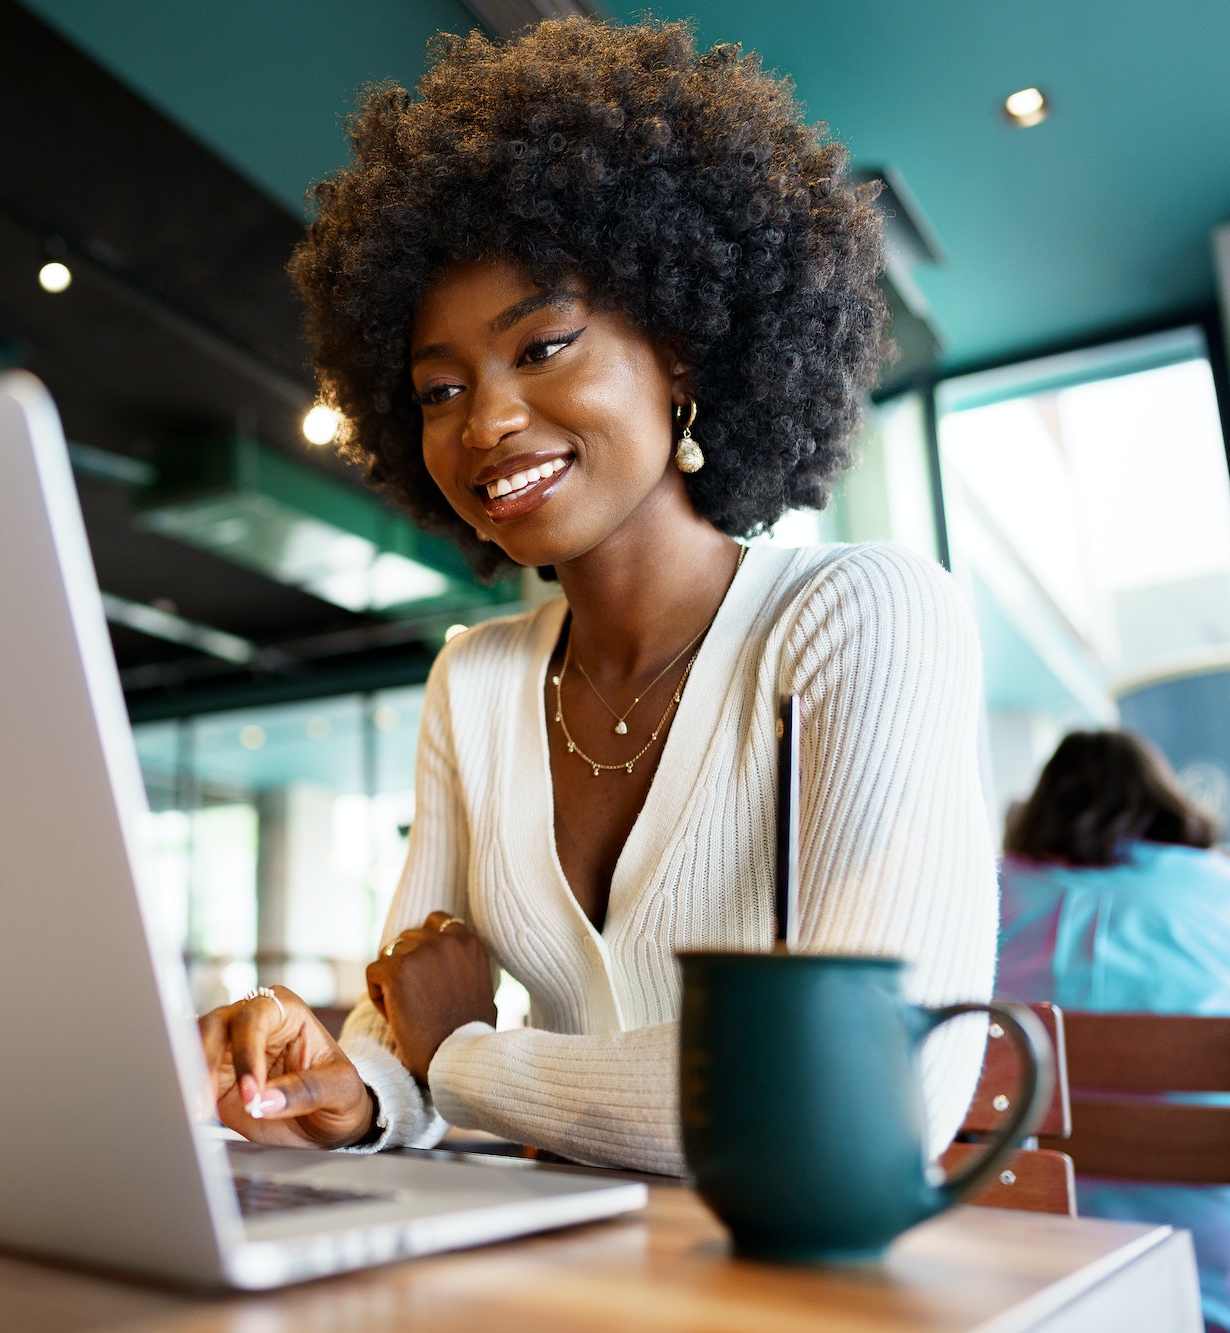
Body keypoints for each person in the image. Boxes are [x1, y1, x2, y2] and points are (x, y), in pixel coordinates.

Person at [197, 17, 997, 1172]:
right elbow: (400, 1033)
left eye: (543, 346)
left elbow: (865, 1099)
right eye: (435, 390)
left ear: (680, 347)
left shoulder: (860, 613)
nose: (484, 422)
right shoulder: (472, 678)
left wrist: (465, 1059)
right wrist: (343, 1086)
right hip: (554, 1272)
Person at [996, 729, 1230, 1332]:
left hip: (1020, 1254)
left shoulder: (987, 892)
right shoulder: (1217, 890)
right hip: (1208, 1264)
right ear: (1165, 804)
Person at [998, 729, 1230, 1012]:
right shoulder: (1215, 879)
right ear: (1162, 801)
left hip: (1019, 1051)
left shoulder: (996, 882)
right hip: (1193, 1052)